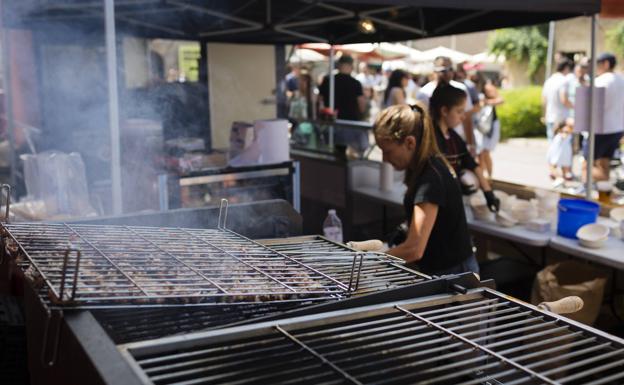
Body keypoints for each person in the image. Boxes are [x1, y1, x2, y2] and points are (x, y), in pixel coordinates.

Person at [373, 103, 479, 276]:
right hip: (444, 269)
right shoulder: (425, 167)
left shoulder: (431, 179)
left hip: (455, 275)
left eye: (388, 151)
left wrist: (371, 262)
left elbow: (414, 250)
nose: (385, 159)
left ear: (409, 142)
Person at [429, 84, 500, 212]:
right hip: (435, 208)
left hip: (452, 205)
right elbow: (430, 177)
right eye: (459, 111)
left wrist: (488, 193)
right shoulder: (430, 140)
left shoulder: (454, 137)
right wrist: (454, 186)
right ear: (444, 111)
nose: (463, 116)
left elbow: (472, 164)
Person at [417, 56, 477, 156]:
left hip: (458, 141)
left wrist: (471, 144)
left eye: (451, 69)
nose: (448, 73)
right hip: (434, 144)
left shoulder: (461, 89)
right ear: (434, 71)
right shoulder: (424, 93)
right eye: (444, 70)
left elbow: (467, 118)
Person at [585, 52, 624, 181]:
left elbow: (589, 108)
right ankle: (605, 190)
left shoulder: (600, 81)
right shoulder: (621, 80)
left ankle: (594, 188)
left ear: (606, 64)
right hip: (617, 129)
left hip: (600, 129)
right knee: (604, 163)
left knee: (586, 166)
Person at [319, 55, 368, 151]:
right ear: (351, 66)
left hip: (330, 121)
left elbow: (319, 101)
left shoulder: (328, 80)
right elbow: (361, 105)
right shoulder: (355, 83)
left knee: (331, 150)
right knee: (347, 151)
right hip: (350, 123)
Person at [475, 79, 504, 180]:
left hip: (488, 124)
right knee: (480, 154)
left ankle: (488, 177)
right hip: (477, 124)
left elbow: (501, 100)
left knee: (484, 152)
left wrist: (487, 102)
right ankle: (482, 177)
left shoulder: (487, 87)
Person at [542, 57, 573, 140]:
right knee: (561, 146)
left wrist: (544, 115)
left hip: (550, 117)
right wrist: (575, 107)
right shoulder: (564, 81)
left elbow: (544, 100)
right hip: (561, 119)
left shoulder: (549, 80)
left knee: (552, 146)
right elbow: (564, 100)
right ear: (566, 68)